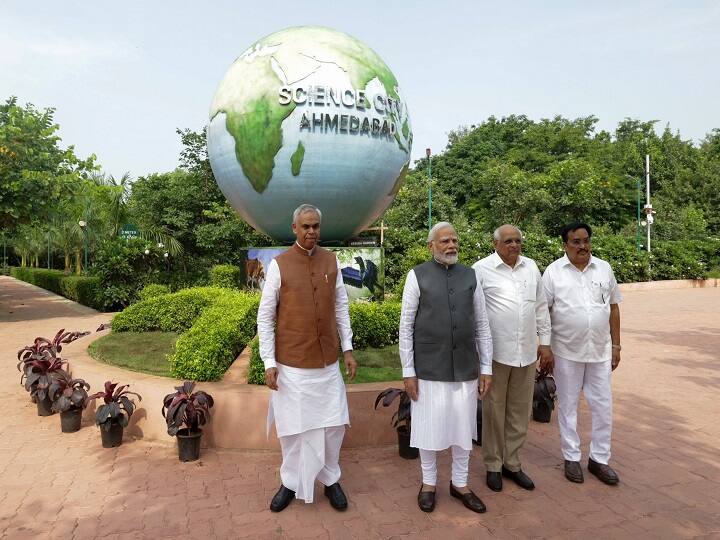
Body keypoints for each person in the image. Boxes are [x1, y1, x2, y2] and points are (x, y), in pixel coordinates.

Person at [257, 203, 358, 512]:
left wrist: (348, 348)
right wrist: (269, 362)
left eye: (315, 226)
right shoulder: (279, 265)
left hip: (327, 364)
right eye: (306, 226)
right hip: (292, 366)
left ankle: (330, 479)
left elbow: (341, 307)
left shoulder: (331, 262)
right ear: (295, 229)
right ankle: (289, 482)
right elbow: (265, 317)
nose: (311, 231)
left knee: (332, 426)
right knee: (293, 429)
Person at [399, 222, 493, 513]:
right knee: (427, 427)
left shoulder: (471, 276)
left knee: (463, 428)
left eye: (454, 240)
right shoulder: (417, 276)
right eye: (444, 241)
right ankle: (428, 483)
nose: (451, 245)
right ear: (431, 246)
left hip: (465, 367)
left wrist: (486, 366)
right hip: (428, 368)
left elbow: (481, 324)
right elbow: (405, 326)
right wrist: (408, 371)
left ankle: (460, 483)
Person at [473, 225, 553, 492]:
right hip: (496, 353)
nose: (514, 245)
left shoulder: (531, 267)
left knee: (520, 412)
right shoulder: (481, 269)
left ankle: (513, 463)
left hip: (527, 353)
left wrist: (545, 344)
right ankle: (493, 465)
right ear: (495, 244)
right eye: (508, 241)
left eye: (518, 241)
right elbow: (475, 313)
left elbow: (541, 307)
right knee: (494, 411)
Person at [542, 223, 622, 485]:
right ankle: (571, 457)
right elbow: (543, 313)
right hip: (566, 352)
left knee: (603, 406)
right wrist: (545, 347)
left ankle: (599, 459)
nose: (582, 246)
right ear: (565, 244)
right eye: (576, 241)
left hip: (599, 351)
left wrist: (616, 345)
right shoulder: (553, 273)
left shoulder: (604, 268)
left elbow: (613, 308)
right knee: (568, 406)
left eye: (586, 240)